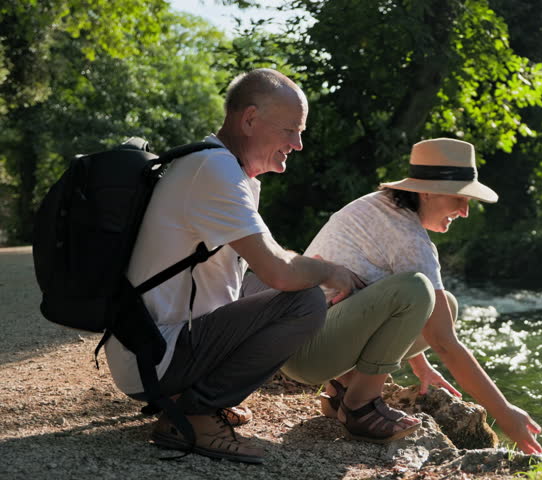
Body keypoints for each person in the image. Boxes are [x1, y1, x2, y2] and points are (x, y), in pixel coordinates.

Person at [104, 68, 364, 464]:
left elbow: (265, 264)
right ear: (249, 120)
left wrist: (303, 267)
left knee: (283, 287)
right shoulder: (214, 170)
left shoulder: (221, 168)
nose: (297, 144)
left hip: (153, 350)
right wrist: (329, 273)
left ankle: (193, 396)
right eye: (292, 130)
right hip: (157, 356)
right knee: (305, 301)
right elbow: (280, 272)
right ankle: (195, 413)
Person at [302, 137, 542, 454]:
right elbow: (444, 340)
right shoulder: (409, 239)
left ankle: (341, 392)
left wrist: (420, 364)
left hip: (305, 342)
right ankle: (360, 406)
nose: (465, 211)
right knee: (420, 290)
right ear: (426, 190)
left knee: (443, 303)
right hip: (308, 352)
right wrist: (505, 413)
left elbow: (389, 300)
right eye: (459, 198)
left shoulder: (383, 208)